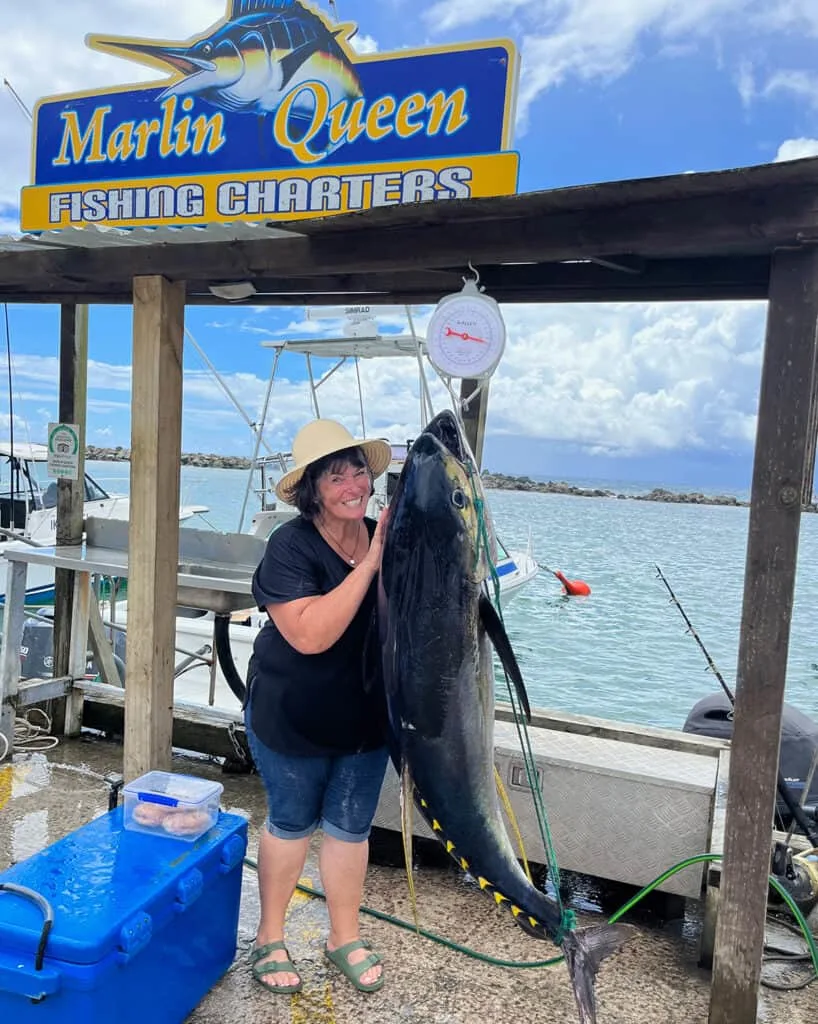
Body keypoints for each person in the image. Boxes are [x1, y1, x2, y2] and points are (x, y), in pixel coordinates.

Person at [244, 418, 393, 996]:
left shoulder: (383, 535)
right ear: (311, 490)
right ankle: (269, 936)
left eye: (359, 469)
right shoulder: (290, 545)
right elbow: (310, 635)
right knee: (291, 822)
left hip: (366, 719)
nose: (353, 483)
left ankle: (342, 937)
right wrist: (372, 565)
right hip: (293, 715)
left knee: (350, 831)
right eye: (337, 475)